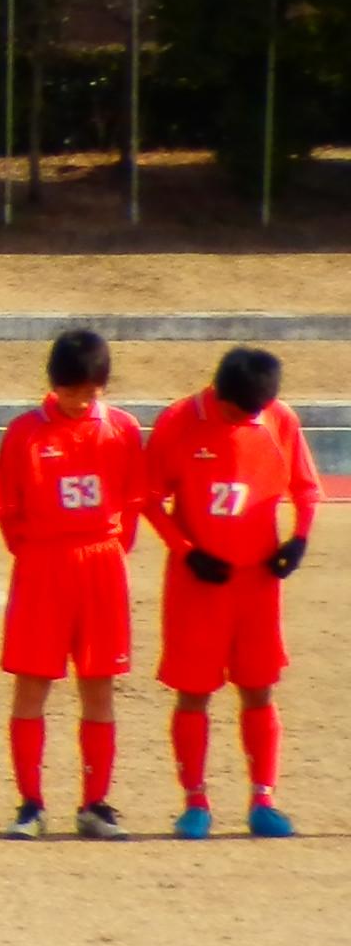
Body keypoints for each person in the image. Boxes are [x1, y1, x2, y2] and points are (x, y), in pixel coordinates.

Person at [146, 343, 315, 840]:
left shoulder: (278, 419)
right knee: (193, 690)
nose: (247, 417)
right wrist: (185, 550)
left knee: (258, 687)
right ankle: (194, 801)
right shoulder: (179, 421)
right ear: (218, 393)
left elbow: (305, 487)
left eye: (255, 411)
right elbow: (151, 499)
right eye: (239, 410)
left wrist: (299, 538)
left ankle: (264, 798)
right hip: (199, 584)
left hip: (257, 584)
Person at [0, 327, 147, 840]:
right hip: (43, 564)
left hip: (100, 564)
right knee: (32, 685)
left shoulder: (122, 430)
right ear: (53, 384)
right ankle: (30, 805)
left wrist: (102, 549)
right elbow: (10, 512)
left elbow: (131, 506)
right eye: (70, 389)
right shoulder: (24, 432)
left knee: (99, 685)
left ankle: (94, 803)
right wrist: (41, 550)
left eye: (90, 390)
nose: (80, 399)